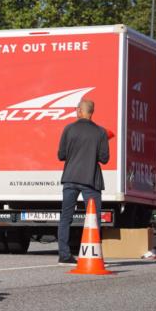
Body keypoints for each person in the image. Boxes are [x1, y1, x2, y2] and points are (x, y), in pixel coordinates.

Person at [56, 98, 109, 264]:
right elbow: (104, 158)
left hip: (70, 178)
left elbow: (61, 155)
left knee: (66, 217)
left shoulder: (68, 129)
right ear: (92, 112)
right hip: (90, 180)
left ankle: (64, 255)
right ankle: (92, 253)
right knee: (93, 218)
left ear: (80, 111)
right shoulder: (100, 132)